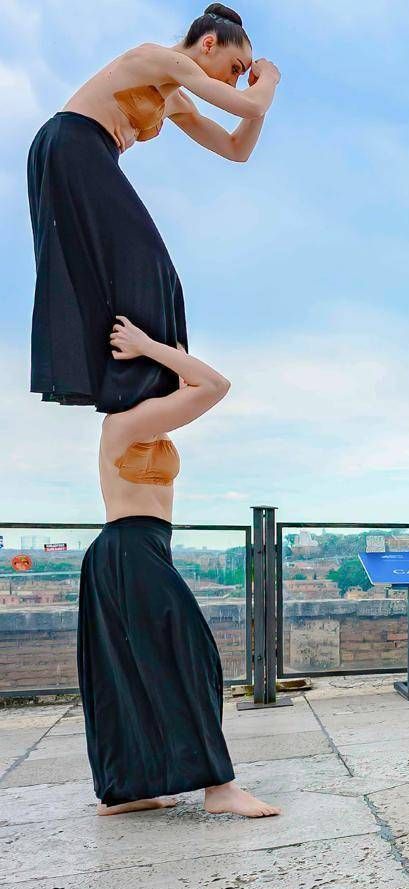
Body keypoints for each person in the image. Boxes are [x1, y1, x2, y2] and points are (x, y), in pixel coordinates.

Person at [29, 5, 279, 413]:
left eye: (242, 74)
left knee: (144, 266)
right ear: (209, 44)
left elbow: (237, 149)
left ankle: (136, 375)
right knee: (147, 258)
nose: (236, 79)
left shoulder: (175, 96)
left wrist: (259, 101)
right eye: (235, 67)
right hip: (74, 141)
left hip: (88, 152)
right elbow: (246, 105)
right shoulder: (159, 59)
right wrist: (267, 80)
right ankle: (136, 376)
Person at [78, 317, 278, 818]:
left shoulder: (149, 423)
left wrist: (160, 349)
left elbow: (196, 383)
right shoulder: (124, 422)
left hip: (139, 552)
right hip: (129, 551)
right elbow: (214, 385)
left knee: (134, 668)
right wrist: (149, 345)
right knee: (190, 659)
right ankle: (218, 788)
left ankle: (129, 788)